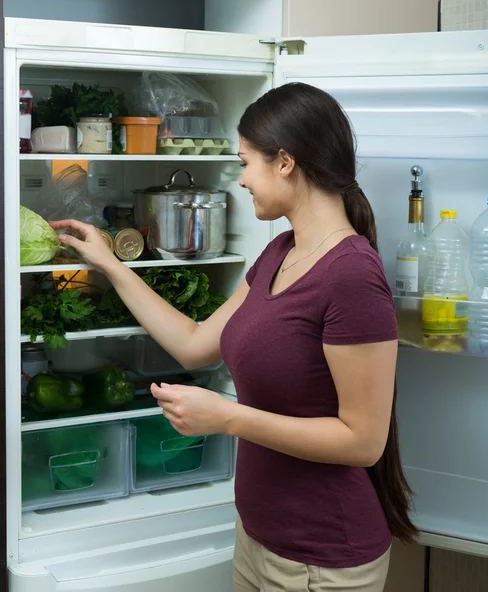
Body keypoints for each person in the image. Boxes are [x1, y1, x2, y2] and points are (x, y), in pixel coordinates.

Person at [52, 82, 418, 592]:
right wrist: (111, 265)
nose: (241, 179)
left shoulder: (352, 274)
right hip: (258, 539)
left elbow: (363, 442)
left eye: (246, 162)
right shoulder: (281, 253)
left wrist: (227, 418)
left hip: (322, 561)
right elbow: (194, 341)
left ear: (285, 161)